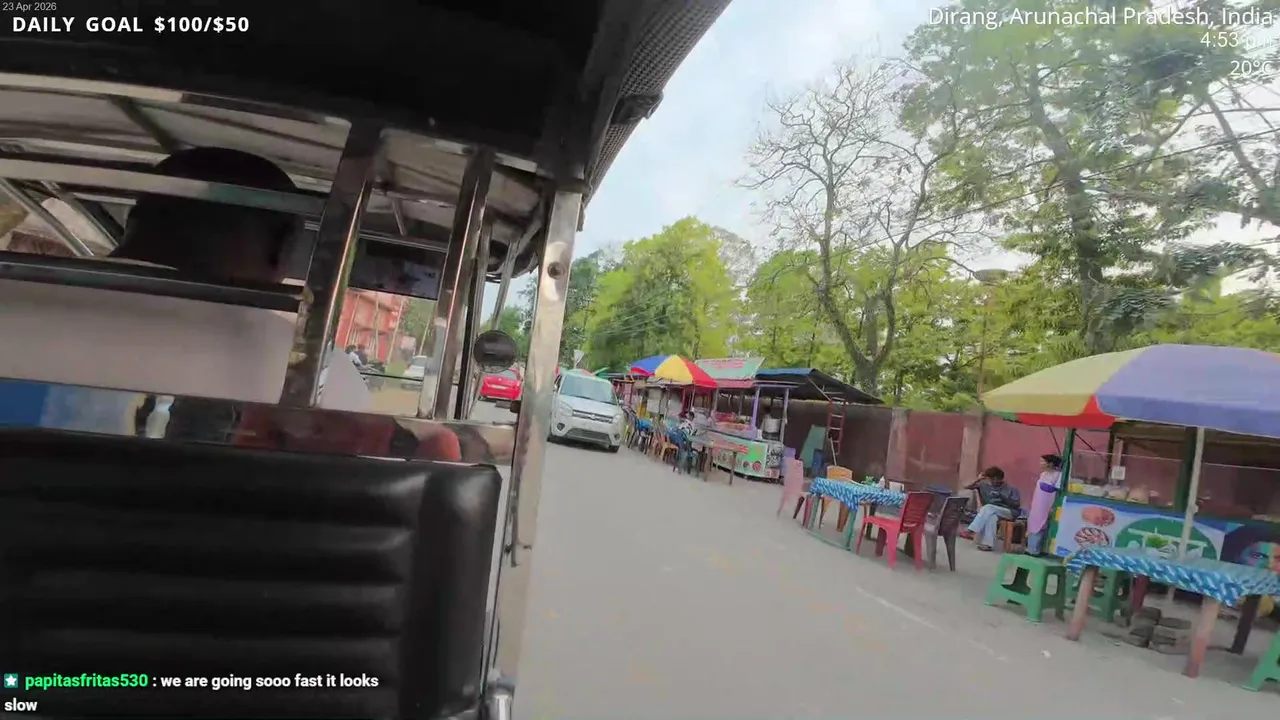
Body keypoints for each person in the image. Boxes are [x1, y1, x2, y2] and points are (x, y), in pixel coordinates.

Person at [964, 466, 1021, 551]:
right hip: (990, 512)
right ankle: (987, 544)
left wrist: (1003, 497)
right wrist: (978, 479)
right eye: (991, 479)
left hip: (1009, 512)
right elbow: (966, 487)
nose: (994, 482)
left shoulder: (1011, 488)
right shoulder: (984, 485)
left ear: (1001, 479)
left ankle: (972, 529)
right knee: (991, 517)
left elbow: (1016, 505)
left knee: (988, 507)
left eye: (997, 479)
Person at [1024, 454, 1062, 555]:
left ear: (1051, 464)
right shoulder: (1043, 474)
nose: (1040, 464)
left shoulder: (1058, 475)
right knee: (1034, 522)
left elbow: (1058, 490)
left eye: (1043, 462)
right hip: (1038, 504)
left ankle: (1039, 549)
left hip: (1048, 504)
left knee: (1043, 525)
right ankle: (1031, 548)